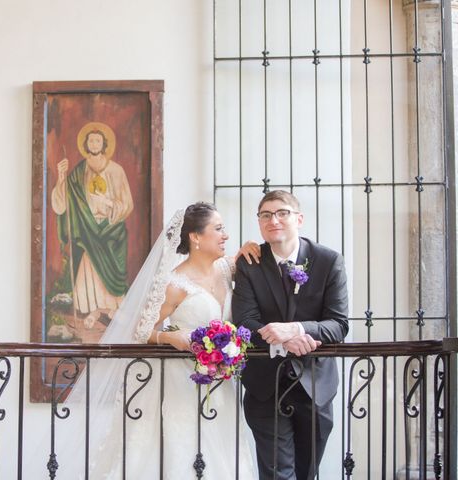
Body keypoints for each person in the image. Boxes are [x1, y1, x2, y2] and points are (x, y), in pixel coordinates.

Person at [52, 202, 256, 479]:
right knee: (182, 448)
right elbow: (140, 330)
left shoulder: (224, 269)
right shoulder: (174, 284)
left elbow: (243, 259)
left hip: (221, 383)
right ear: (195, 237)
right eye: (218, 229)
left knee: (222, 451)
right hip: (181, 381)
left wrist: (249, 247)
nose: (225, 235)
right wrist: (169, 336)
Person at [232, 190, 349, 480]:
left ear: (299, 218)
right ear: (259, 222)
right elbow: (245, 322)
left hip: (315, 385)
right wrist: (283, 338)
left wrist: (298, 329)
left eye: (282, 212)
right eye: (266, 215)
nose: (274, 220)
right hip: (265, 386)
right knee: (277, 474)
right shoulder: (249, 264)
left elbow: (338, 324)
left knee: (307, 472)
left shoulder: (328, 261)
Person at [51, 121, 134, 329]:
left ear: (104, 144)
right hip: (88, 229)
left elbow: (127, 204)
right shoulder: (80, 172)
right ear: (86, 144)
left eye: (98, 140)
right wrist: (61, 178)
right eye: (91, 140)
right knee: (90, 264)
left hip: (111, 228)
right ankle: (95, 310)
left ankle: (109, 309)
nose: (95, 143)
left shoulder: (116, 170)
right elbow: (63, 205)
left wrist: (108, 205)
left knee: (112, 271)